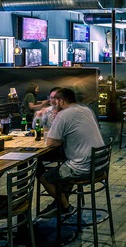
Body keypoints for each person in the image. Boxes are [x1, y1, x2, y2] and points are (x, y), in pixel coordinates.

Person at [38, 87, 105, 218]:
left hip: (83, 168)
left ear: (61, 101)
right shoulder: (86, 109)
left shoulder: (64, 115)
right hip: (99, 164)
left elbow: (51, 143)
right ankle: (60, 202)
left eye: (55, 101)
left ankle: (65, 206)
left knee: (44, 177)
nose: (53, 104)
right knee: (63, 167)